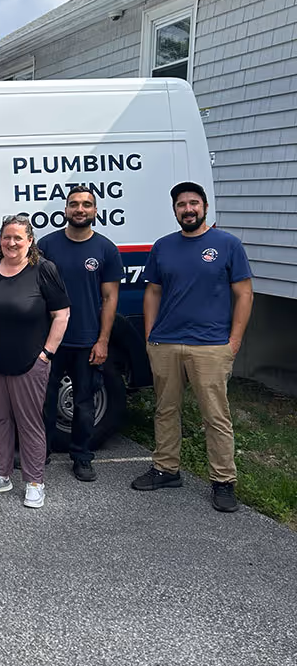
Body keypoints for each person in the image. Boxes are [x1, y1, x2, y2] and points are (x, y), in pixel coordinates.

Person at [131, 181, 253, 513]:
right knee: (165, 410)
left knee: (216, 416)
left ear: (205, 207)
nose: (188, 209)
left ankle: (223, 482)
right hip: (166, 343)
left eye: (194, 203)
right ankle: (166, 469)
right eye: (182, 204)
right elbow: (153, 292)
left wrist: (235, 340)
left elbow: (244, 293)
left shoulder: (227, 245)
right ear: (174, 210)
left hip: (211, 346)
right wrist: (150, 337)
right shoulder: (163, 247)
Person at [0, 215, 70, 509]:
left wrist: (46, 354)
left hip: (29, 362)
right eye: (6, 237)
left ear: (29, 241)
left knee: (29, 422)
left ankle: (35, 481)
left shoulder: (43, 270)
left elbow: (61, 315)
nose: (11, 243)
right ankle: (1, 474)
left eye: (17, 238)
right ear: (0, 240)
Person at [38, 186, 122, 482]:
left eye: (86, 204)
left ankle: (82, 457)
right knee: (44, 401)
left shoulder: (105, 249)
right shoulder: (47, 246)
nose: (80, 209)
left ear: (95, 211)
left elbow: (110, 299)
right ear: (65, 210)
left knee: (84, 402)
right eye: (74, 204)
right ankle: (41, 453)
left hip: (87, 340)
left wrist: (103, 340)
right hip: (52, 341)